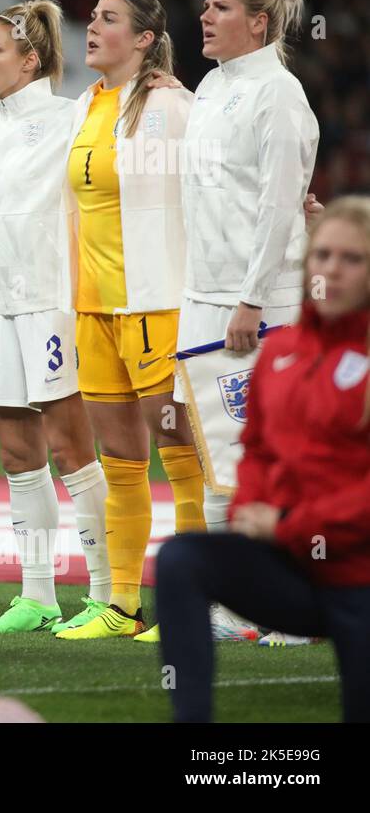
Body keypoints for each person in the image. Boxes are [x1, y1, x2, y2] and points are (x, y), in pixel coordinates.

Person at [156, 197, 370, 721]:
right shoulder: (281, 352)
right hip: (296, 570)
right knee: (180, 560)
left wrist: (290, 524)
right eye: (322, 256)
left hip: (359, 576)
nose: (332, 270)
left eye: (352, 259)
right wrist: (253, 512)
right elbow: (255, 451)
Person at [177, 0, 320, 640]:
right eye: (206, 5)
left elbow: (277, 208)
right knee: (219, 453)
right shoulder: (208, 87)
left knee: (281, 452)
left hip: (261, 302)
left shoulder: (280, 95)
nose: (205, 16)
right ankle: (232, 603)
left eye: (221, 8)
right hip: (203, 294)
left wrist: (252, 298)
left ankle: (296, 604)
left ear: (259, 22)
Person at [55, 0, 203, 642]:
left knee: (179, 452)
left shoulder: (171, 107)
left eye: (108, 19)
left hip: (155, 302)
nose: (91, 27)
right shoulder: (86, 105)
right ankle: (121, 603)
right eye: (91, 18)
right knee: (119, 457)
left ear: (144, 39)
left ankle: (195, 601)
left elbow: (210, 187)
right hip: (93, 306)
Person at [0, 0, 114, 637]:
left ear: (31, 60)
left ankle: (109, 592)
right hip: (3, 305)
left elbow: (123, 117)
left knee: (71, 446)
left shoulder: (70, 115)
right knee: (19, 451)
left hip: (53, 302)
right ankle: (38, 595)